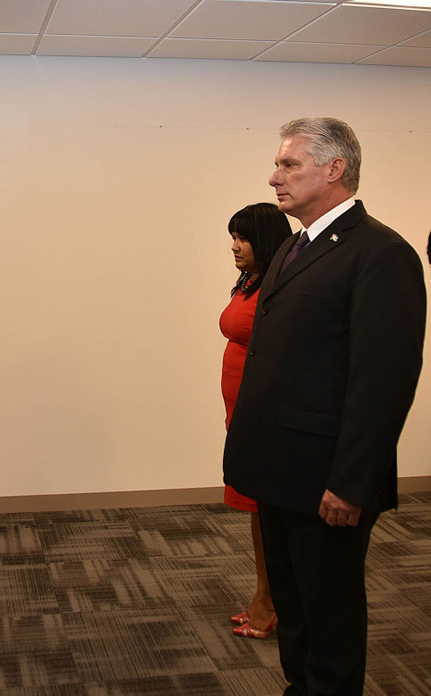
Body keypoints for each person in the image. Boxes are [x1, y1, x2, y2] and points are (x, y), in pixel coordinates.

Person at [224, 118, 426, 695]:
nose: (274, 177)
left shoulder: (382, 254)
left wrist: (352, 483)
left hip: (327, 481)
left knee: (330, 617)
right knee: (294, 609)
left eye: (288, 165)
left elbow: (383, 381)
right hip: (279, 470)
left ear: (334, 169)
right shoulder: (293, 245)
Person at [219, 203, 292, 639]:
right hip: (240, 409)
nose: (234, 246)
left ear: (264, 240)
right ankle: (265, 594)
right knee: (257, 509)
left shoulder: (281, 284)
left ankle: (270, 602)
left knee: (267, 509)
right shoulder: (251, 281)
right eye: (233, 237)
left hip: (262, 409)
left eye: (243, 238)